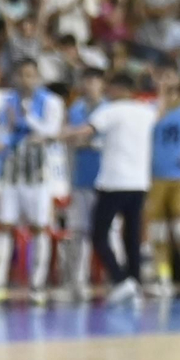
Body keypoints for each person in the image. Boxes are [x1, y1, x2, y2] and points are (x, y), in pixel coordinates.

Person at [65, 71, 155, 305]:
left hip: (114, 182)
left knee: (98, 235)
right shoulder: (146, 111)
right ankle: (135, 282)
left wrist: (60, 134)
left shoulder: (110, 110)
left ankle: (120, 278)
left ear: (116, 89)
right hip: (139, 182)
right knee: (131, 236)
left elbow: (86, 130)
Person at [0, 59, 64, 302]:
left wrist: (26, 118)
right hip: (12, 173)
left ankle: (37, 284)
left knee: (39, 226)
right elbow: (1, 132)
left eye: (31, 75)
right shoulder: (7, 101)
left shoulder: (51, 102)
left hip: (38, 174)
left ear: (38, 76)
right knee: (4, 225)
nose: (26, 80)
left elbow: (50, 132)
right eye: (21, 74)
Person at [61, 68, 104, 299]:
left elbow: (102, 140)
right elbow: (66, 135)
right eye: (86, 81)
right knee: (79, 231)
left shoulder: (108, 108)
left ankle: (112, 278)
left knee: (109, 232)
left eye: (94, 81)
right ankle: (78, 280)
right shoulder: (76, 108)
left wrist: (84, 140)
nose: (90, 86)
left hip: (106, 179)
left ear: (102, 84)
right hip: (80, 178)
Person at [146, 72, 180, 296]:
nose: (171, 94)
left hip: (178, 179)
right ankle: (164, 278)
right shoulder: (150, 112)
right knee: (157, 232)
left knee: (178, 231)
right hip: (155, 179)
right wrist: (159, 103)